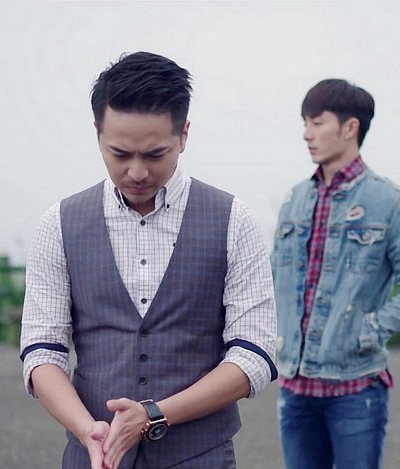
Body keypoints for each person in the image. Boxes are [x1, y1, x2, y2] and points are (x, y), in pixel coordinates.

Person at [19, 51, 277, 469]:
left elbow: (254, 354)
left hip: (200, 456)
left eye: (155, 154)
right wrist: (88, 431)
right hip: (92, 456)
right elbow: (41, 351)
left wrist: (155, 414)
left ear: (184, 135)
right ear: (97, 133)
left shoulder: (234, 220)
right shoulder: (59, 224)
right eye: (120, 153)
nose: (137, 172)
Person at [271, 78, 400, 469]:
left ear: (350, 128)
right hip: (295, 385)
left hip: (355, 387)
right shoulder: (295, 200)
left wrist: (369, 330)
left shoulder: (390, 203)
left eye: (317, 123)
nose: (306, 134)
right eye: (305, 123)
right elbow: (275, 280)